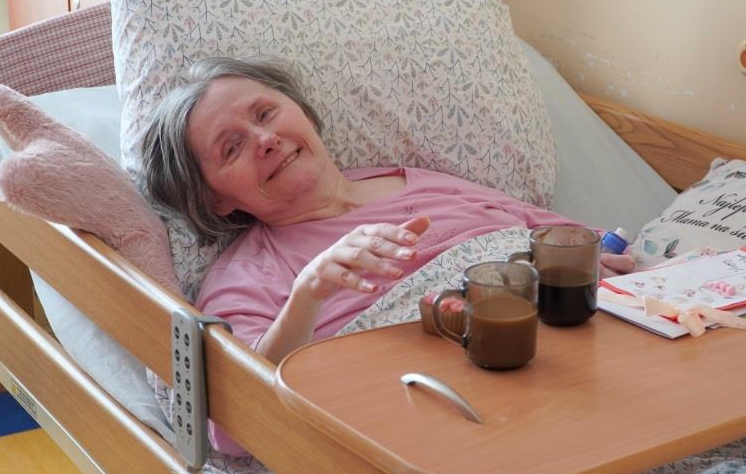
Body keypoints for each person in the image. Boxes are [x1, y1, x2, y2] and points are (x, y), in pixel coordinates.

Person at [140, 56, 633, 454]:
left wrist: (592, 263)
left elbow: (571, 241)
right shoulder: (250, 273)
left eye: (266, 114)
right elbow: (234, 426)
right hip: (461, 420)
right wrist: (308, 293)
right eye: (232, 148)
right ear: (214, 200)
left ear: (303, 112)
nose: (266, 140)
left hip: (579, 373)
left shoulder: (424, 180)